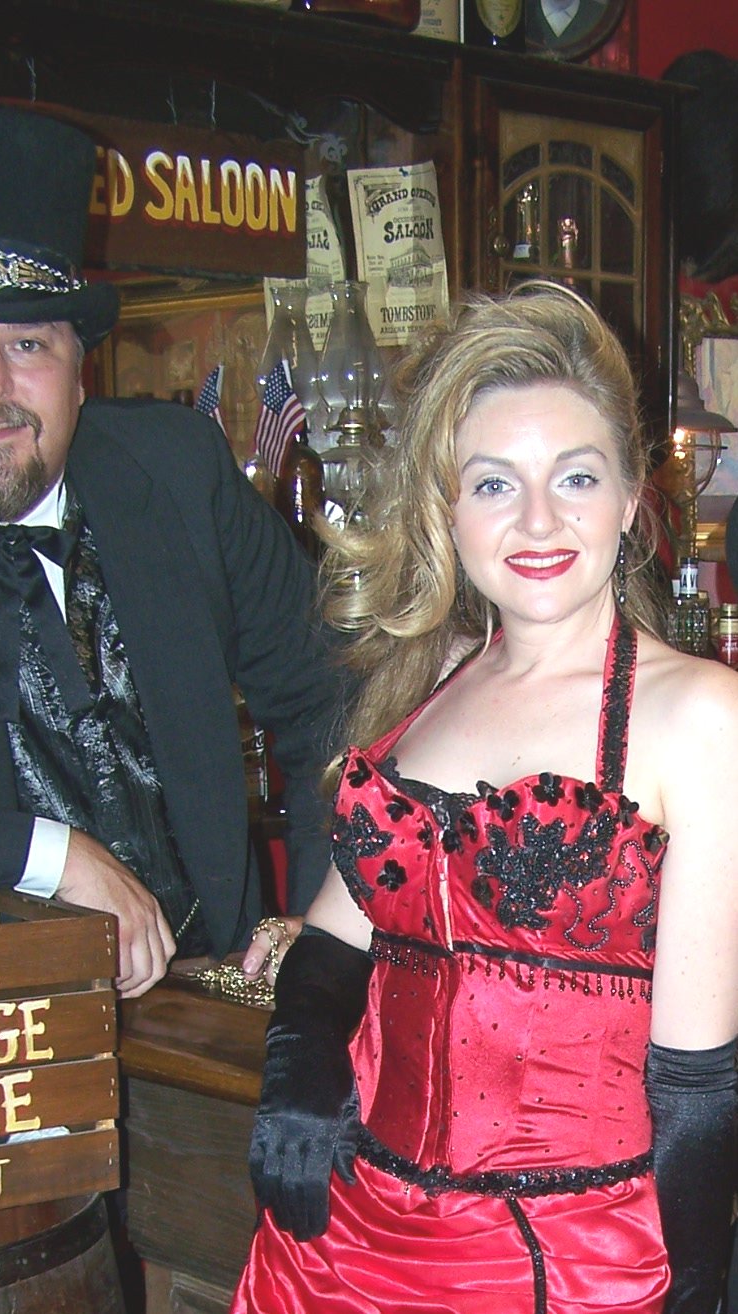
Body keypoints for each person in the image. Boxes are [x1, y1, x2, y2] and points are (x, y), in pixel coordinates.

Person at [232, 283, 738, 1313]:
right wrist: (300, 1075)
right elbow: (335, 940)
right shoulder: (432, 679)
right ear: (445, 510)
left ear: (631, 498)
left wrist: (685, 1291)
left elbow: (695, 1084)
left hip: (555, 1262)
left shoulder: (699, 717)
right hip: (341, 1243)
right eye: (494, 484)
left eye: (576, 477)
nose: (538, 520)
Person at [0, 99, 338, 998]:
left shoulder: (177, 468)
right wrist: (50, 857)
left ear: (79, 369)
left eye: (28, 345)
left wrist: (324, 927)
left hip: (218, 992)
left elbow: (334, 694)